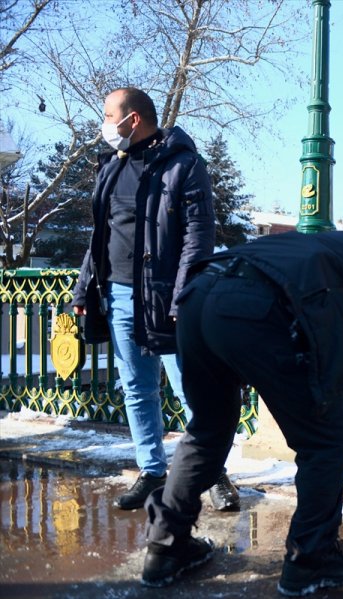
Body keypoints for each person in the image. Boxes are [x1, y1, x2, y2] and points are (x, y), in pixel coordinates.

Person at [139, 230, 343, 594]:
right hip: (256, 305)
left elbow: (330, 340)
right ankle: (311, 561)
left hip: (198, 295)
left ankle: (166, 547)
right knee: (327, 439)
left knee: (208, 429)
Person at [71, 87, 239, 512]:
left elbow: (198, 237)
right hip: (118, 295)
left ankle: (212, 471)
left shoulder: (184, 165)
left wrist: (183, 297)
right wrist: (84, 286)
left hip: (165, 299)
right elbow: (100, 235)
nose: (104, 124)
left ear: (133, 120)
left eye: (109, 116)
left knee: (190, 389)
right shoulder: (111, 165)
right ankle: (152, 470)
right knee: (136, 389)